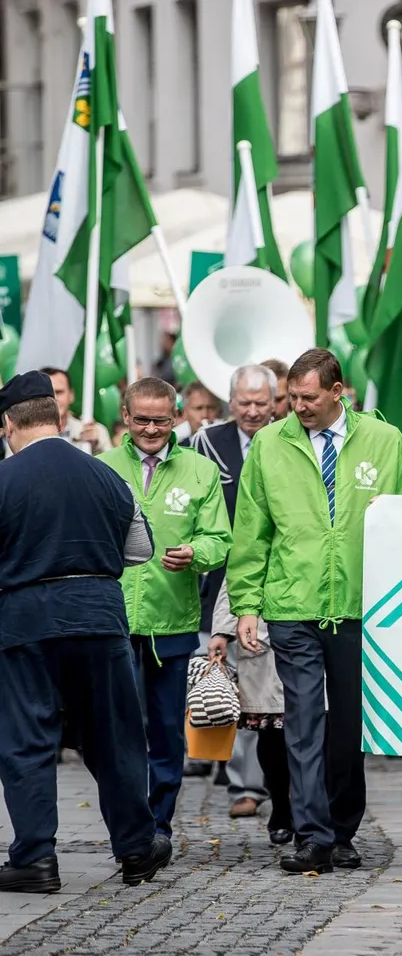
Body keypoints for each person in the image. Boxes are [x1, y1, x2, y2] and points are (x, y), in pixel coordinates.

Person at [229, 348, 402, 874]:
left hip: (363, 607)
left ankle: (342, 829)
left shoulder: (384, 441)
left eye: (308, 397)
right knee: (303, 724)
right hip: (293, 604)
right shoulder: (271, 445)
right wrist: (246, 605)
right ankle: (312, 835)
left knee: (347, 730)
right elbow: (251, 532)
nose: (298, 406)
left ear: (339, 392)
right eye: (291, 397)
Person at [0, 371, 170, 892]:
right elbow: (142, 550)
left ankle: (36, 860)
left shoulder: (5, 479)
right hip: (99, 612)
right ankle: (138, 848)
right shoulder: (107, 476)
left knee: (27, 741)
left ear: (8, 423)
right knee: (115, 738)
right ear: (56, 417)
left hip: (25, 618)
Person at [99, 377, 231, 844]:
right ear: (125, 418)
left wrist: (197, 552)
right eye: (142, 419)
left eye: (160, 419)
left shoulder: (200, 470)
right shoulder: (102, 466)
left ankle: (159, 826)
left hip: (173, 621)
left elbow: (221, 540)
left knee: (168, 731)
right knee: (118, 733)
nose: (151, 429)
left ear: (175, 417)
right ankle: (127, 828)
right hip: (114, 621)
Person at [188, 364, 282, 820]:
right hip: (217, 584)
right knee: (235, 687)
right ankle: (243, 785)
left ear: (274, 403)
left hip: (273, 577)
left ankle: (277, 787)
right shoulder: (207, 443)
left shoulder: (284, 439)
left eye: (261, 403)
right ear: (231, 401)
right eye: (244, 402)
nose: (252, 411)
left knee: (272, 691)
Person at [209, 578, 293, 846]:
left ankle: (313, 812)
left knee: (323, 728)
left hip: (319, 620)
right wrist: (221, 630)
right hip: (263, 626)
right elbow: (241, 568)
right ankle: (281, 807)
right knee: (271, 728)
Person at [40, 366, 112, 454]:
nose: (54, 398)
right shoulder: (24, 435)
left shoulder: (95, 432)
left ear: (71, 395)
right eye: (48, 393)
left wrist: (97, 447)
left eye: (59, 392)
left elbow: (110, 466)